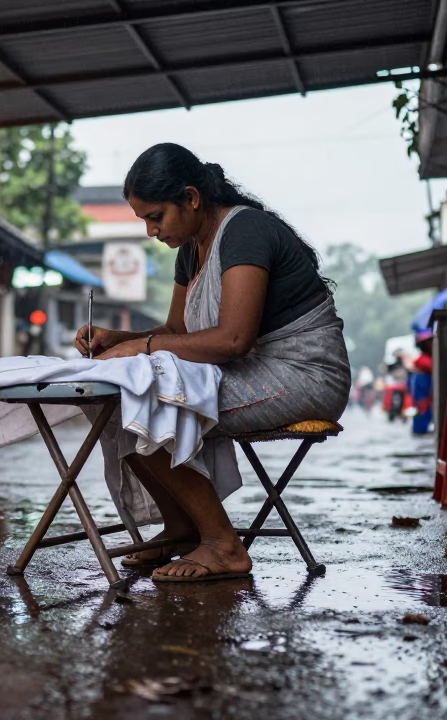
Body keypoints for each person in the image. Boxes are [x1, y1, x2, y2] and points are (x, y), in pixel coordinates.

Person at [74, 143, 351, 583]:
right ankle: (184, 529)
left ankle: (223, 546)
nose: (151, 231)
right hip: (252, 370)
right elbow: (177, 335)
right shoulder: (191, 247)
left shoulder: (245, 231)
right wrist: (119, 339)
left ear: (191, 197)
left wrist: (141, 350)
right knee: (118, 402)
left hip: (305, 375)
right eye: (144, 220)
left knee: (146, 403)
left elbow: (233, 340)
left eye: (155, 216)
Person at [396, 332, 434, 435]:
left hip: (423, 394)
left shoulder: (422, 360)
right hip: (422, 394)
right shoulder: (422, 360)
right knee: (422, 411)